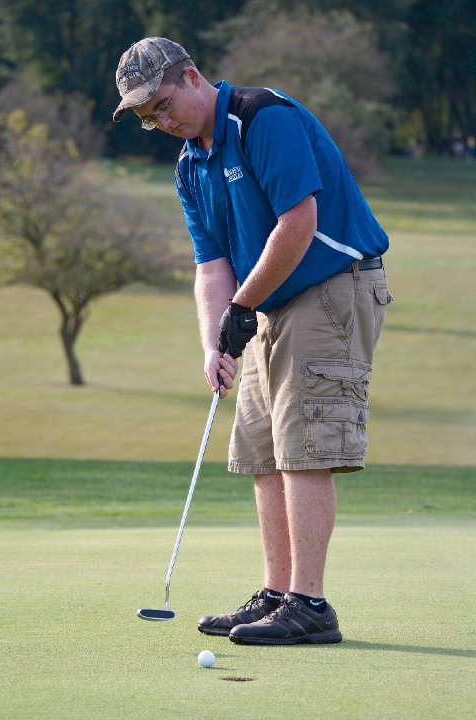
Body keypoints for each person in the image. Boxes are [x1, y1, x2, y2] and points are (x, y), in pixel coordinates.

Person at [113, 37, 392, 646]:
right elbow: (211, 264)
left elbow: (299, 223)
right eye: (148, 118)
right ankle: (277, 593)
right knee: (261, 449)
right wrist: (214, 341)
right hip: (267, 301)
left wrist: (242, 307)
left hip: (331, 284)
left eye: (163, 105)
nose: (161, 122)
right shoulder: (190, 165)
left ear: (191, 76)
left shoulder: (263, 117)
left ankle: (309, 605)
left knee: (302, 445)